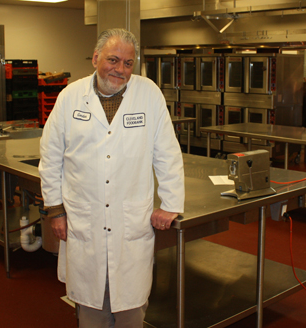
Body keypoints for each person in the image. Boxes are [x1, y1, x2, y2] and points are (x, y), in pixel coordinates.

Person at [38, 28, 185, 327]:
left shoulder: (149, 94)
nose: (120, 69)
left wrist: (170, 203)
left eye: (128, 63)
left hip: (130, 220)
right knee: (91, 310)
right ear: (95, 58)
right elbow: (51, 156)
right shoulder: (69, 97)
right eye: (113, 60)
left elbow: (167, 152)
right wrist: (55, 209)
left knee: (131, 309)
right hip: (83, 217)